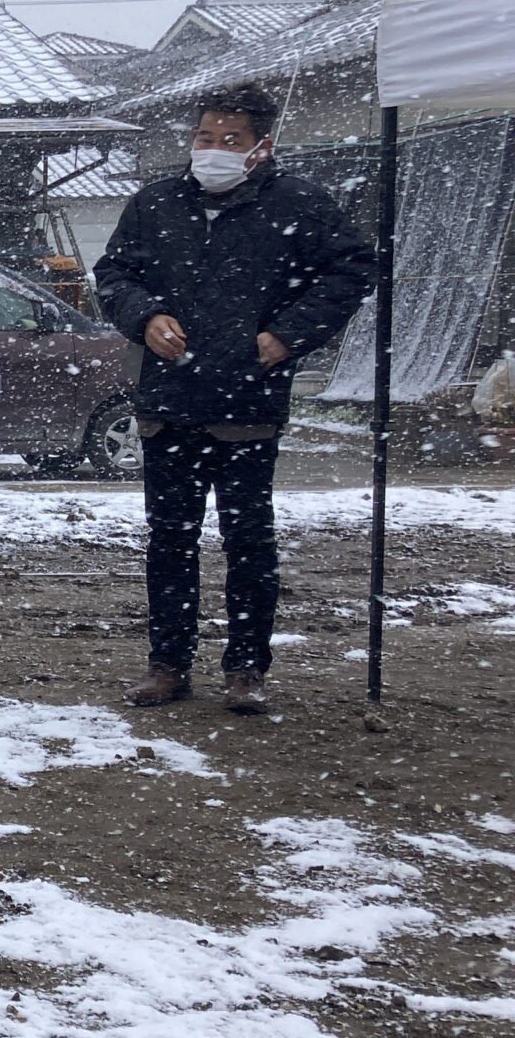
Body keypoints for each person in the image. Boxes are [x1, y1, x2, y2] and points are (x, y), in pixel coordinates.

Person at [95, 83, 372, 715]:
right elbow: (113, 273)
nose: (212, 150)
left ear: (260, 147)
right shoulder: (156, 203)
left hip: (247, 403)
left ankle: (246, 667)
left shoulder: (298, 203)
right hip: (168, 403)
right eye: (203, 138)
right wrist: (145, 317)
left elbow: (352, 269)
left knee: (248, 537)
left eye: (230, 140)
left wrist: (287, 336)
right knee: (169, 539)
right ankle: (168, 664)